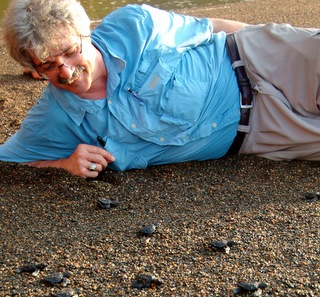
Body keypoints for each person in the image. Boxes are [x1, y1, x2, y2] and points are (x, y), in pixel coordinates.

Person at [0, 0, 319, 179]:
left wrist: (280, 40)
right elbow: (7, 162)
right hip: (262, 133)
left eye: (70, 51)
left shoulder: (135, 25)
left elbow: (211, 28)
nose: (67, 71)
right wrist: (64, 164)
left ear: (86, 33)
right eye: (49, 65)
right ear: (33, 70)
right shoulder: (54, 118)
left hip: (260, 59)